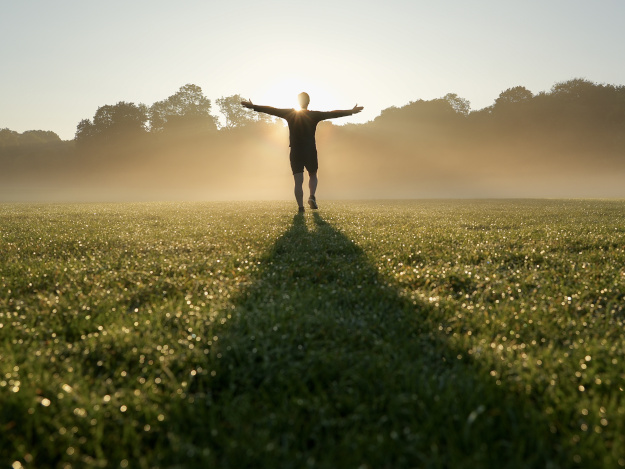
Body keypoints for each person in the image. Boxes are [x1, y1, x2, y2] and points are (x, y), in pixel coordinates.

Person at [241, 93, 363, 213]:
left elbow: (272, 110)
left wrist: (253, 107)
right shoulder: (313, 115)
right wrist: (351, 111)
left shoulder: (290, 114)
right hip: (309, 150)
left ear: (298, 101)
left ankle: (300, 208)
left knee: (298, 181)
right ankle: (312, 196)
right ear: (308, 102)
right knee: (313, 174)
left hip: (295, 150)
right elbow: (332, 114)